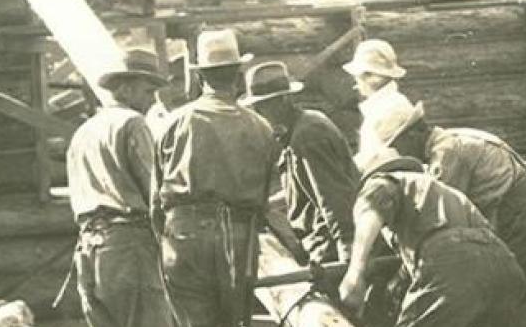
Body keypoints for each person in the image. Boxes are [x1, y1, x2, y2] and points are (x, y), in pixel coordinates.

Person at [363, 90, 526, 327]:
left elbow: (436, 222)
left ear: (413, 133)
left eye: (398, 144)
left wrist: (400, 277)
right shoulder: (453, 139)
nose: (399, 152)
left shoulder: (447, 153)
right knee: (516, 312)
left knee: (515, 315)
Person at [153, 29, 280, 327]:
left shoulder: (175, 123)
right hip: (237, 238)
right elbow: (266, 201)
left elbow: (154, 202)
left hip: (183, 236)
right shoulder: (261, 127)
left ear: (200, 78)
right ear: (238, 76)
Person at [338, 147, 525, 327]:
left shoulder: (382, 182)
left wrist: (355, 272)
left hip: (454, 261)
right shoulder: (440, 192)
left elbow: (371, 209)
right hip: (505, 265)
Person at [65, 48, 175, 327]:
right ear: (126, 89)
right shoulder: (133, 123)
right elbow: (155, 193)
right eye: (149, 92)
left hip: (89, 248)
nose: (153, 101)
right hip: (129, 246)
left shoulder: (83, 132)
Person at [241, 61, 359, 265]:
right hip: (317, 241)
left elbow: (333, 197)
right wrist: (265, 205)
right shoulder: (293, 132)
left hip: (328, 247)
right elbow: (303, 190)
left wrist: (348, 257)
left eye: (263, 106)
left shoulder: (308, 135)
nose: (258, 114)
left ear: (284, 100)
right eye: (255, 107)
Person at [342, 39, 406, 159]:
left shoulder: (389, 109)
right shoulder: (389, 103)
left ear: (371, 77)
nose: (356, 82)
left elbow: (375, 158)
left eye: (358, 76)